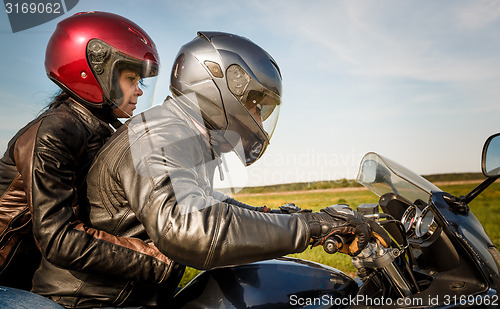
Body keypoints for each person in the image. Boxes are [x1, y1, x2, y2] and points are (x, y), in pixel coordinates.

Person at [37, 31, 390, 307]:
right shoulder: (160, 132)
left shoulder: (181, 132)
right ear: (220, 85)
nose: (258, 119)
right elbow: (186, 224)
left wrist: (292, 216)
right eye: (255, 105)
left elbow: (209, 203)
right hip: (93, 302)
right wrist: (308, 228)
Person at [0, 11, 179, 305]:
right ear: (92, 71)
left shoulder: (105, 132)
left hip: (34, 278)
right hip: (8, 281)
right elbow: (57, 237)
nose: (138, 91)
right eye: (131, 78)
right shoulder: (53, 133)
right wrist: (157, 262)